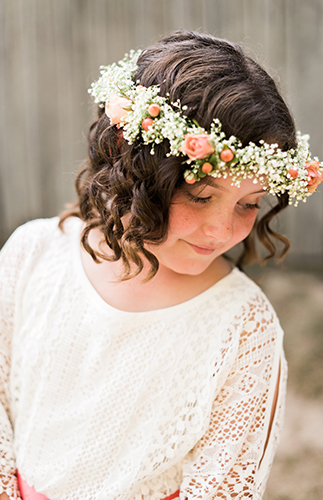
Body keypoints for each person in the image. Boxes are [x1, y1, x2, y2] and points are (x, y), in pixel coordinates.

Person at [0, 30, 322, 500]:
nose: (221, 230)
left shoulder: (245, 331)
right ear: (137, 168)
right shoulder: (32, 255)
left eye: (249, 204)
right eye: (200, 195)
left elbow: (224, 488)